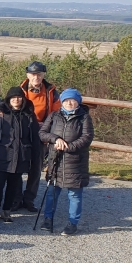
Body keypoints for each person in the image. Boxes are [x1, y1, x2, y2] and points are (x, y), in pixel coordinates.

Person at [0, 87, 41, 224]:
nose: (16, 100)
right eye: (13, 97)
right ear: (8, 99)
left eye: (19, 97)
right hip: (3, 155)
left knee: (13, 186)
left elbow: (35, 140)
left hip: (21, 156)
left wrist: (35, 160)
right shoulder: (0, 115)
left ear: (23, 99)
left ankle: (6, 211)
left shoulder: (29, 116)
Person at [39, 89, 93, 236]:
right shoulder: (54, 116)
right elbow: (42, 133)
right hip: (55, 161)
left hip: (75, 163)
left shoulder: (84, 118)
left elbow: (86, 138)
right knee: (52, 193)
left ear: (78, 102)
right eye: (66, 100)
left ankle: (72, 223)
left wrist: (68, 147)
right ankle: (47, 219)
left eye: (73, 100)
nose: (69, 103)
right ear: (62, 102)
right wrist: (55, 139)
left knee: (74, 196)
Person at [16, 61, 62, 213]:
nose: (36, 77)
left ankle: (29, 199)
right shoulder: (20, 91)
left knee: (35, 169)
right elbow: (14, 110)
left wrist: (46, 126)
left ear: (43, 75)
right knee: (17, 167)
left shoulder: (51, 92)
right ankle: (15, 199)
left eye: (39, 74)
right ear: (28, 75)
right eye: (33, 74)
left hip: (42, 133)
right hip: (22, 133)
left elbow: (56, 113)